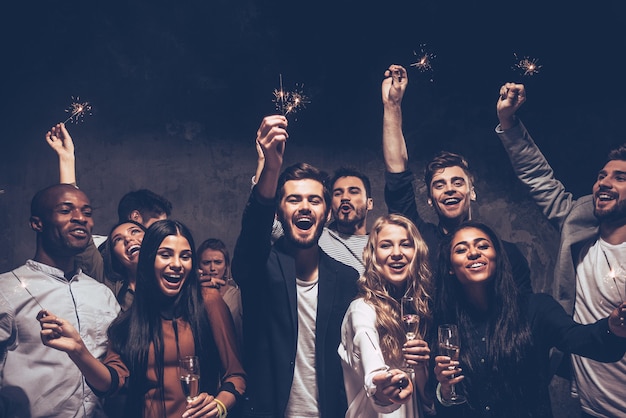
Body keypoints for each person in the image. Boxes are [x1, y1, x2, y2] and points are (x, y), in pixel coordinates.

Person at [496, 82, 626, 417]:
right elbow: (539, 178)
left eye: (620, 178)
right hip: (589, 406)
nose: (604, 183)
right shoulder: (578, 224)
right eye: (602, 176)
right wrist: (509, 123)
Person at [38, 219, 246, 418]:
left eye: (185, 256)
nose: (177, 264)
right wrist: (78, 351)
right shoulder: (127, 324)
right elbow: (110, 384)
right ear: (148, 260)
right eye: (165, 254)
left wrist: (219, 405)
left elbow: (236, 376)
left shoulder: (207, 301)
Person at [232, 115, 359, 417]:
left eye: (314, 200)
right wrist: (271, 169)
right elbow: (253, 231)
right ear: (279, 211)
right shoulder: (259, 266)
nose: (304, 206)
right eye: (294, 200)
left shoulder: (347, 278)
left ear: (327, 214)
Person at [432, 221, 626, 418]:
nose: (474, 253)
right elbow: (444, 405)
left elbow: (581, 338)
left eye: (483, 246)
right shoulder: (447, 326)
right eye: (461, 249)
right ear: (450, 267)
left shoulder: (536, 309)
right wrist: (445, 392)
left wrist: (613, 327)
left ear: (497, 257)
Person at [381, 64, 532, 294]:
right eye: (439, 185)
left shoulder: (504, 255)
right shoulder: (420, 241)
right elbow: (397, 174)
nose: (449, 189)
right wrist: (392, 105)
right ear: (431, 199)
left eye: (458, 182)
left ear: (472, 191)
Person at [0, 183, 120, 417]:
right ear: (37, 223)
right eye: (66, 210)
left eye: (87, 212)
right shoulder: (6, 289)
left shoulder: (102, 294)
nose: (80, 218)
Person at [339, 214, 434, 418]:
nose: (397, 253)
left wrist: (420, 368)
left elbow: (426, 401)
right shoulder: (361, 309)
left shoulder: (418, 310)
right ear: (373, 255)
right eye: (386, 245)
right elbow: (374, 375)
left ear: (417, 252)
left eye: (405, 244)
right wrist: (381, 383)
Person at [318, 167, 374, 275]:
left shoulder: (381, 245)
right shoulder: (316, 237)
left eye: (353, 192)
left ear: (369, 203)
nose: (344, 197)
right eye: (338, 193)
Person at [197, 238, 243, 345]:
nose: (212, 268)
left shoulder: (237, 297)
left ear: (226, 266)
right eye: (206, 263)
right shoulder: (194, 296)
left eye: (218, 262)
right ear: (198, 266)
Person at [102, 220, 147, 312]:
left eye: (135, 231)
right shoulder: (113, 289)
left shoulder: (172, 278)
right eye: (118, 239)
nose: (128, 239)